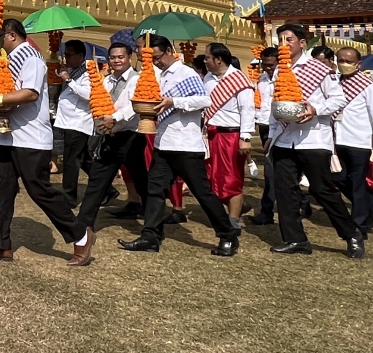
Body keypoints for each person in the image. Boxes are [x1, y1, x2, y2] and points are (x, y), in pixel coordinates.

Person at [0, 19, 95, 266]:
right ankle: (1, 245)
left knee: (40, 191)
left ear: (12, 36)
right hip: (6, 136)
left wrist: (0, 97)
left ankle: (80, 235)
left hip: (31, 138)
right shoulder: (9, 61)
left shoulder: (32, 59)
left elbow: (31, 93)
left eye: (1, 39)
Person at [119, 35, 238, 257]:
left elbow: (204, 100)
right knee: (154, 190)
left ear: (169, 51)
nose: (156, 62)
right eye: (151, 58)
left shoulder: (186, 73)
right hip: (164, 143)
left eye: (157, 57)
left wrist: (174, 102)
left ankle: (227, 234)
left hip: (186, 145)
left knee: (202, 193)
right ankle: (150, 235)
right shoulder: (159, 76)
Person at [265, 23, 364, 259]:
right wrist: (270, 135)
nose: (284, 44)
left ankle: (351, 234)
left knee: (322, 190)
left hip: (313, 139)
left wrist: (315, 108)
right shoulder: (280, 70)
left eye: (288, 39)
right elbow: (275, 105)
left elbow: (338, 99)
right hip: (284, 138)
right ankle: (295, 239)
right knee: (285, 191)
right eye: (280, 40)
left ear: (302, 43)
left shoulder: (319, 69)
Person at [76, 39, 149, 229]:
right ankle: (83, 223)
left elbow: (135, 105)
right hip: (109, 136)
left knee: (142, 181)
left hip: (130, 136)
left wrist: (115, 118)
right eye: (113, 57)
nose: (116, 61)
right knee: (97, 180)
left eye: (120, 57)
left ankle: (152, 224)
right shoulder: (106, 80)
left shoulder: (137, 79)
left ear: (129, 58)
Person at [331, 47, 373, 237]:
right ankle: (371, 202)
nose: (344, 64)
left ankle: (359, 225)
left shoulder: (368, 86)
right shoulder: (334, 83)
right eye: (340, 60)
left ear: (358, 64)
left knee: (357, 183)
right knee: (337, 178)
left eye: (348, 61)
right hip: (336, 140)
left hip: (359, 141)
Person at [201, 43, 255, 229]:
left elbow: (247, 110)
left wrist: (245, 138)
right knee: (212, 176)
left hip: (231, 136)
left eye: (207, 57)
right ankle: (230, 212)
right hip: (211, 135)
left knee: (231, 178)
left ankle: (233, 221)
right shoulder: (208, 78)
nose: (205, 60)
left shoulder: (239, 81)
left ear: (218, 59)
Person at [54, 39, 95, 209]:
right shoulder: (74, 71)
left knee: (71, 160)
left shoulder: (89, 72)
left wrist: (69, 80)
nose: (67, 58)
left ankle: (69, 196)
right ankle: (107, 189)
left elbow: (88, 94)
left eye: (70, 55)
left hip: (78, 122)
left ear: (80, 55)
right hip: (69, 121)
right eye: (66, 54)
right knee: (84, 159)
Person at [250, 46, 280, 225]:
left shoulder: (285, 78)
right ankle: (267, 211)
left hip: (282, 128)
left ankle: (267, 209)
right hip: (265, 126)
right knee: (271, 169)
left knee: (273, 170)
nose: (268, 68)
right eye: (265, 65)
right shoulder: (260, 80)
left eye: (271, 65)